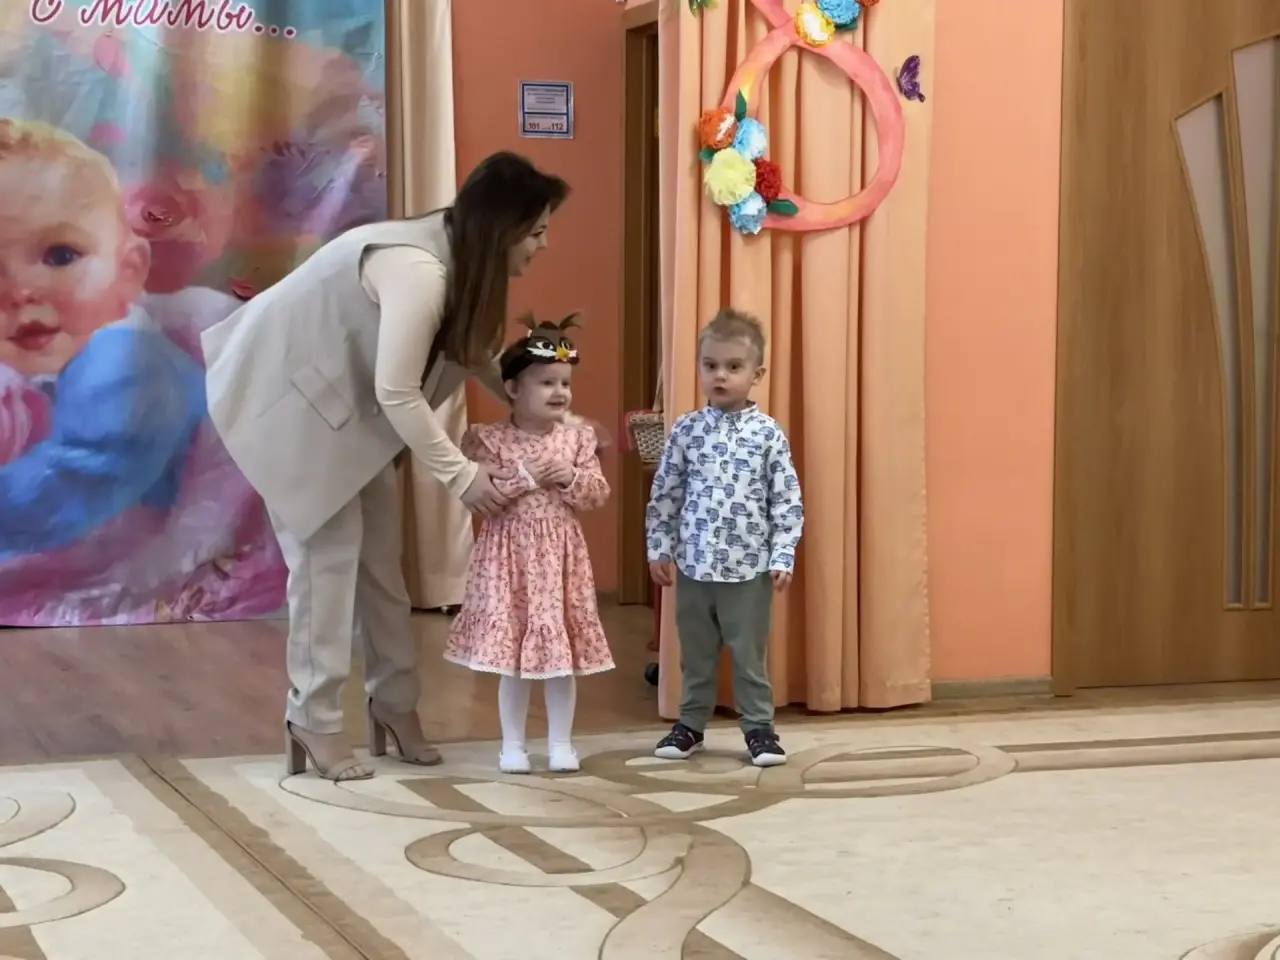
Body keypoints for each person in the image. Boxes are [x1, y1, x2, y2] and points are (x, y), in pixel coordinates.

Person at [201, 151, 570, 781]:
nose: (543, 245)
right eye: (536, 232)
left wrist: (544, 409)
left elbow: (474, 353)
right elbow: (398, 390)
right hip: (292, 403)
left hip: (352, 413)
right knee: (326, 564)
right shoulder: (417, 271)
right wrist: (461, 476)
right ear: (503, 230)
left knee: (381, 567)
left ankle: (394, 706)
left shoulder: (461, 263)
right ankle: (313, 718)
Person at [0, 118, 280, 623]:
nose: (20, 290)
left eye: (60, 255)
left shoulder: (125, 364)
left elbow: (78, 479)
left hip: (142, 526)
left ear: (129, 270)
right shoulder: (58, 349)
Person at [444, 315, 613, 774]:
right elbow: (485, 498)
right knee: (513, 658)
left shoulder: (577, 439)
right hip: (510, 560)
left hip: (560, 560)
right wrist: (527, 476)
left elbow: (597, 494)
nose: (560, 392)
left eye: (565, 383)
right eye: (547, 383)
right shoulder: (489, 440)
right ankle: (512, 745)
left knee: (561, 659)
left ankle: (561, 743)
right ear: (514, 389)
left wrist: (572, 477)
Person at [645, 308, 804, 768]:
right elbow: (666, 493)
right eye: (710, 365)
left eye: (733, 367)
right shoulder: (686, 430)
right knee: (696, 655)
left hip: (748, 570)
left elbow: (786, 500)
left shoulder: (767, 435)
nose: (720, 375)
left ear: (756, 375)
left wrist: (783, 554)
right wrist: (659, 547)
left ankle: (760, 729)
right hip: (694, 567)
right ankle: (690, 725)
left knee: (749, 656)